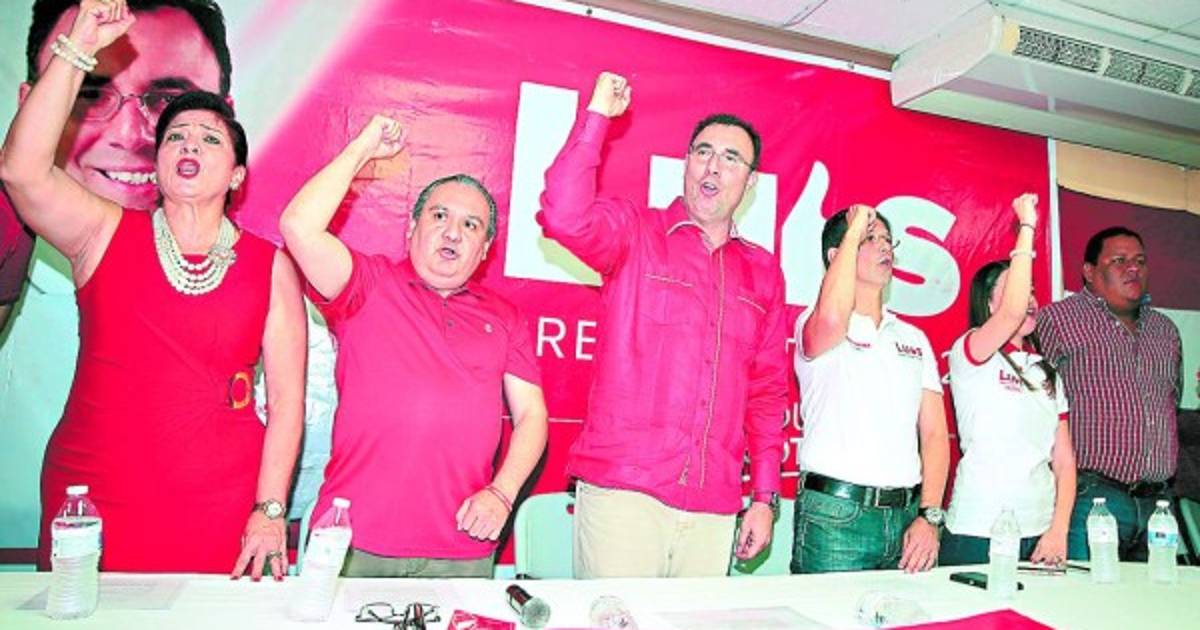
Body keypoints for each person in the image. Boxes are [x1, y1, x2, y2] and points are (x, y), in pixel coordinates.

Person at [0, 1, 304, 578]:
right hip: (94, 499)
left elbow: (288, 404)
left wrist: (269, 511)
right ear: (157, 163)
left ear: (237, 174)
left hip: (223, 503)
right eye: (176, 137)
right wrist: (77, 46)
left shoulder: (269, 266)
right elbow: (22, 171)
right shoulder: (101, 232)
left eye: (210, 139)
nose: (190, 145)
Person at [538, 72, 789, 578]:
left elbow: (766, 392)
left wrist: (764, 497)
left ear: (750, 183)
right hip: (624, 494)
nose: (713, 166)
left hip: (714, 505)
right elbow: (563, 216)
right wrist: (597, 118)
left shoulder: (763, 272)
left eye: (731, 158)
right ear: (686, 164)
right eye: (703, 152)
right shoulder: (636, 232)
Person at [279, 115, 548, 578]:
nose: (453, 232)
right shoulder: (367, 284)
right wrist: (362, 149)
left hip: (462, 545)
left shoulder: (505, 317)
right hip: (354, 540)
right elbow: (299, 227)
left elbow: (532, 416)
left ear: (485, 248)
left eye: (471, 225)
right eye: (440, 216)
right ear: (412, 227)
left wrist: (502, 494)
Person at [791, 204, 948, 574]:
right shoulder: (814, 322)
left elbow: (935, 434)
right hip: (835, 518)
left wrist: (929, 516)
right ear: (837, 255)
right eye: (869, 239)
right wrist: (855, 224)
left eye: (887, 240)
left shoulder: (913, 338)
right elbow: (832, 317)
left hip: (906, 519)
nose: (884, 247)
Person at [940, 194, 1076, 566]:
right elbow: (1012, 312)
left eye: (1032, 290)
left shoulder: (1045, 370)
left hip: (1040, 531)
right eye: (1018, 289)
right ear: (988, 304)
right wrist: (1027, 226)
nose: (1029, 298)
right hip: (978, 529)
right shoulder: (971, 350)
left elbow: (1064, 461)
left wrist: (1058, 530)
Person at [1038, 226, 1182, 561]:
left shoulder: (1165, 330)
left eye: (1140, 261)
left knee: (1156, 595)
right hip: (1091, 498)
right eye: (1119, 261)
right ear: (1089, 272)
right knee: (1084, 594)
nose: (1133, 268)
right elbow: (1033, 405)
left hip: (1159, 507)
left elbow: (1172, 403)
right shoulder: (1057, 320)